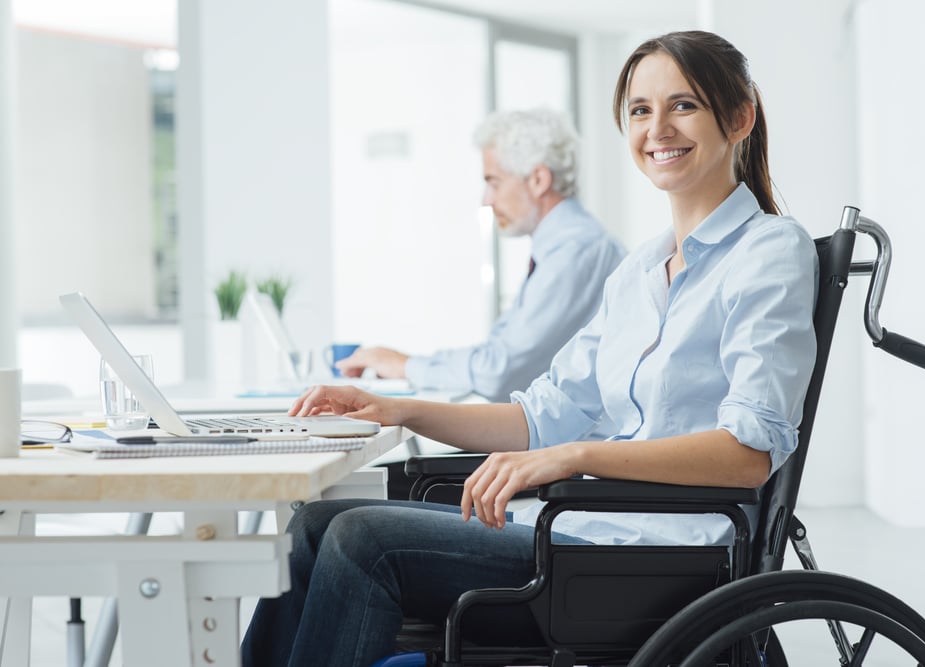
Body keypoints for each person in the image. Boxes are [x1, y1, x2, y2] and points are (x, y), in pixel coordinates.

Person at [241, 30, 819, 667]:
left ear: (739, 117)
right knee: (312, 525)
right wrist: (396, 408)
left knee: (359, 539)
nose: (658, 128)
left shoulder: (769, 251)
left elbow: (747, 455)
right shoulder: (638, 272)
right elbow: (536, 415)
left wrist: (570, 459)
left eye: (683, 105)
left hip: (659, 560)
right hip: (587, 533)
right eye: (639, 110)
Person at [335, 108, 625, 403]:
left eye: (494, 182)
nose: (486, 200)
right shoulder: (565, 248)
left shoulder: (576, 251)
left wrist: (404, 365)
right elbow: (501, 355)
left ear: (538, 179)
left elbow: (499, 370)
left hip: (578, 442)